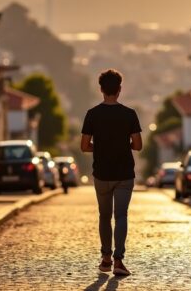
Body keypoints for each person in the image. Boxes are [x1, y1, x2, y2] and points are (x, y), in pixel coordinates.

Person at [80, 69, 142, 276]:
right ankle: (118, 261)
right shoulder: (129, 114)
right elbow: (138, 145)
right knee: (121, 215)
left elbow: (84, 146)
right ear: (119, 90)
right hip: (124, 173)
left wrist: (100, 146)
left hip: (102, 174)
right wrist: (122, 144)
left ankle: (105, 258)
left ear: (101, 89)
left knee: (104, 216)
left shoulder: (92, 114)